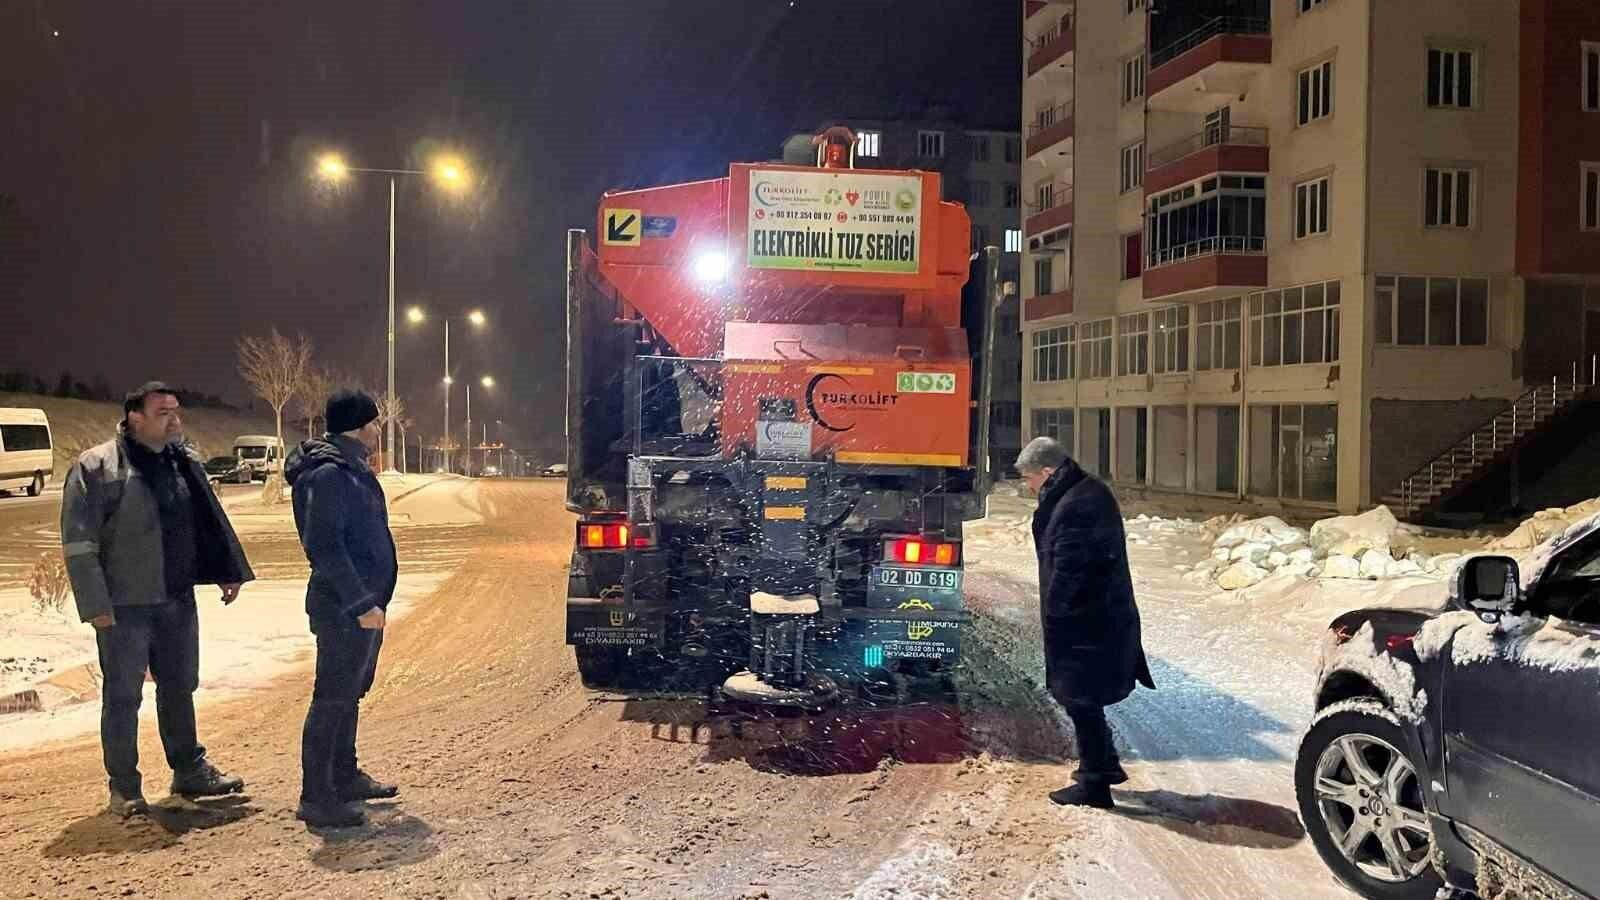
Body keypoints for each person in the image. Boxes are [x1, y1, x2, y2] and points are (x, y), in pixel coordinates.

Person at [61, 382, 254, 817]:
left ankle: (188, 768)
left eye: (177, 410)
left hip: (176, 598)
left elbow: (207, 520)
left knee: (180, 686)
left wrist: (227, 569)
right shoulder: (97, 467)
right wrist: (95, 605)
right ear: (135, 417)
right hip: (125, 606)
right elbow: (79, 543)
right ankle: (124, 787)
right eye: (163, 411)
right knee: (124, 695)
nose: (174, 418)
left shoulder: (181, 461)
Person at [1016, 436, 1155, 809]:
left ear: (1048, 471)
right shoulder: (1079, 492)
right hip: (1093, 618)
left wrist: (1056, 614)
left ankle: (1095, 784)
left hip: (1087, 622)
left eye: (1030, 478)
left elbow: (1071, 570)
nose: (1029, 486)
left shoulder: (1079, 503)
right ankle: (1104, 763)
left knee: (1081, 699)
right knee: (1082, 698)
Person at [285, 389, 399, 829]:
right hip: (343, 607)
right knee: (331, 697)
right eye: (374, 423)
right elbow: (325, 547)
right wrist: (360, 602)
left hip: (362, 604)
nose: (378, 430)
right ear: (358, 425)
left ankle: (344, 776)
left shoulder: (349, 467)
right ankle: (316, 796)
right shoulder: (329, 474)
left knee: (350, 692)